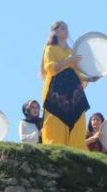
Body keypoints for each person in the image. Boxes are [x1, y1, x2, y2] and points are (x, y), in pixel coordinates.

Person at [40, 21, 96, 150]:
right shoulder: (50, 49)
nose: (66, 30)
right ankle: (56, 147)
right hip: (57, 89)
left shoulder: (72, 51)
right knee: (57, 119)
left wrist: (90, 78)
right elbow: (50, 68)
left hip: (74, 89)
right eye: (62, 28)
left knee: (78, 117)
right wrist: (69, 60)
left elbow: (77, 72)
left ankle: (76, 149)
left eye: (67, 28)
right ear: (55, 32)